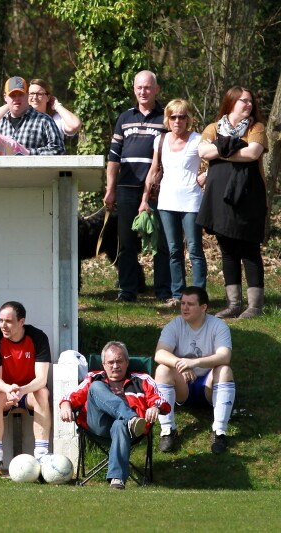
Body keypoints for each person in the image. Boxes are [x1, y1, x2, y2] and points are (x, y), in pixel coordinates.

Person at [197, 87, 268, 319]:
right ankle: (233, 304)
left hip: (248, 196)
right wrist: (232, 146)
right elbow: (203, 151)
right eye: (243, 101)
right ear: (231, 103)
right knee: (227, 250)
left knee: (249, 249)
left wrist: (221, 149)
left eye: (250, 101)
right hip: (219, 197)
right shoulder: (213, 127)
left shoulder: (256, 128)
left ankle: (255, 306)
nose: (248, 104)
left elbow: (253, 153)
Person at [60, 341, 169, 490]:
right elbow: (71, 396)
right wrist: (66, 405)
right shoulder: (93, 378)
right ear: (104, 364)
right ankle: (131, 418)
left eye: (119, 361)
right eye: (111, 362)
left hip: (130, 431)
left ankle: (117, 479)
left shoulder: (142, 379)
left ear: (127, 362)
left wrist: (155, 407)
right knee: (96, 387)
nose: (115, 366)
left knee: (119, 424)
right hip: (99, 425)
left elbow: (161, 400)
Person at [104, 70, 171, 302]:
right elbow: (114, 157)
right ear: (134, 89)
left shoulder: (166, 118)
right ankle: (128, 290)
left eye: (148, 87)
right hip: (126, 188)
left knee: (161, 242)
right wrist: (110, 189)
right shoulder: (124, 118)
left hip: (158, 190)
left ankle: (163, 290)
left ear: (156, 89)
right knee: (126, 242)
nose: (143, 91)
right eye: (139, 87)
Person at [139, 99, 207, 307]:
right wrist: (144, 199)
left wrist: (206, 175)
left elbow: (217, 161)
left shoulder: (198, 140)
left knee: (194, 250)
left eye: (182, 116)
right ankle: (178, 296)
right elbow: (153, 170)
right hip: (166, 202)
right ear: (167, 119)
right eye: (173, 117)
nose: (177, 121)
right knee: (173, 250)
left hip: (192, 201)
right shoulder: (160, 140)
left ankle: (198, 297)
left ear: (188, 119)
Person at [153, 286, 234, 454]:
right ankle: (167, 430)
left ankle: (219, 432)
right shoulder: (174, 325)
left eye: (190, 304)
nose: (184, 308)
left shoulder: (218, 325)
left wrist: (195, 362)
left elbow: (225, 356)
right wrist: (180, 363)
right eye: (182, 303)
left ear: (203, 307)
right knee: (162, 370)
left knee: (225, 370)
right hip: (183, 386)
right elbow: (159, 353)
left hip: (209, 385)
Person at [0, 301, 52, 476]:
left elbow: (41, 379)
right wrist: (8, 389)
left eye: (8, 321)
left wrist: (22, 390)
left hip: (29, 391)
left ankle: (41, 456)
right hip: (5, 392)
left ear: (21, 322)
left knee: (42, 393)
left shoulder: (37, 337)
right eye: (0, 320)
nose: (3, 325)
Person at [0, 76, 65, 155]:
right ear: (5, 97)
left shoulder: (44, 120)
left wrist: (28, 152)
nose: (17, 98)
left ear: (27, 95)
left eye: (20, 94)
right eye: (12, 95)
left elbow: (59, 149)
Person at [0, 78, 81, 138]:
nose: (34, 97)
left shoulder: (55, 119)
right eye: (31, 94)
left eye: (39, 94)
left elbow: (75, 125)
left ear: (48, 97)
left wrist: (57, 105)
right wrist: (15, 100)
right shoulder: (21, 116)